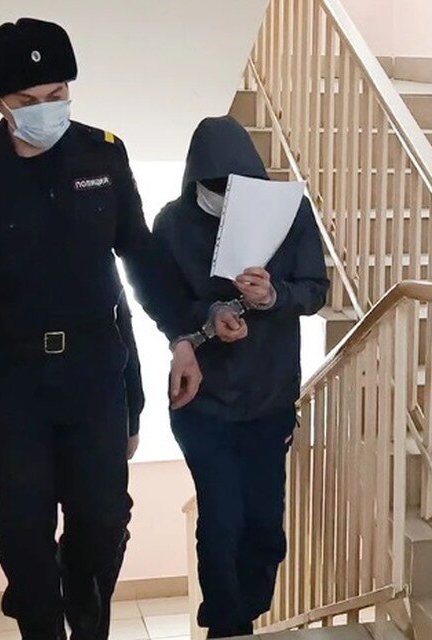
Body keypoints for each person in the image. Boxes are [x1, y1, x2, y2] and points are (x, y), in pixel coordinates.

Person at [0, 18, 203, 640]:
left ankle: (87, 614)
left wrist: (182, 335)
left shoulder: (103, 154)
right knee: (22, 528)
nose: (46, 111)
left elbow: (140, 255)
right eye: (27, 101)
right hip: (9, 381)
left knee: (105, 520)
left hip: (95, 373)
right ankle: (40, 623)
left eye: (57, 94)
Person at [153, 116, 330, 638]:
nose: (226, 199)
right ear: (195, 184)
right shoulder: (172, 224)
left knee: (264, 526)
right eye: (215, 190)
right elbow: (161, 300)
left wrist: (274, 296)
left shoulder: (290, 212)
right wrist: (207, 317)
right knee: (221, 520)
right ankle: (227, 625)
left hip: (268, 398)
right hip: (202, 403)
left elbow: (316, 289)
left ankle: (245, 613)